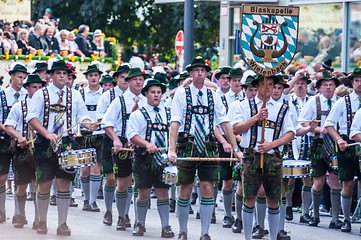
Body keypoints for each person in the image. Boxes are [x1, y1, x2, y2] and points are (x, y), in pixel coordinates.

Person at [168, 56, 242, 240]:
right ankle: (183, 230)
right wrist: (171, 149)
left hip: (208, 144)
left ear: (207, 74)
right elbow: (175, 123)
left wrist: (235, 148)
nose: (200, 73)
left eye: (203, 71)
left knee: (207, 187)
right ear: (191, 73)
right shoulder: (181, 94)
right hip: (187, 143)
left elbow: (225, 123)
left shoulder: (214, 96)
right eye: (196, 70)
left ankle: (205, 233)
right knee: (184, 187)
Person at [26, 60, 97, 236]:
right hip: (45, 143)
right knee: (44, 183)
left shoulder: (75, 94)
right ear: (51, 76)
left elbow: (82, 116)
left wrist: (90, 124)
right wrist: (46, 133)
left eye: (65, 74)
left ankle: (62, 223)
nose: (62, 76)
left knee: (64, 183)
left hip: (67, 143)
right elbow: (32, 118)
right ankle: (42, 221)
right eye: (58, 73)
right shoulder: (41, 94)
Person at [232, 75, 295, 240]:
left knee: (274, 198)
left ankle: (273, 236)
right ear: (257, 86)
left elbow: (290, 133)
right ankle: (247, 237)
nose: (268, 87)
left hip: (273, 157)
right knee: (249, 197)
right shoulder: (244, 106)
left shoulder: (283, 108)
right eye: (263, 83)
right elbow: (236, 129)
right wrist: (256, 118)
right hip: (251, 157)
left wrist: (272, 144)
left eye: (271, 84)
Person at [127, 79, 174, 237]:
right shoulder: (138, 114)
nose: (156, 95)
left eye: (159, 92)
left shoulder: (169, 113)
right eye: (153, 92)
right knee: (144, 192)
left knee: (163, 192)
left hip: (163, 158)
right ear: (145, 94)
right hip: (144, 158)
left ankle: (166, 226)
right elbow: (132, 135)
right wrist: (146, 144)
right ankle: (139, 223)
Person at [102, 67, 147, 231]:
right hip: (123, 143)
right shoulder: (119, 101)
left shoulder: (146, 100)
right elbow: (107, 123)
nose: (138, 82)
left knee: (140, 184)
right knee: (122, 181)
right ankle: (121, 216)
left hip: (142, 145)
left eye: (141, 79)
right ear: (128, 82)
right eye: (135, 79)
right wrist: (116, 140)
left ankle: (135, 218)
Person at [4, 74, 45, 228]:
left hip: (40, 149)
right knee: (21, 185)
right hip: (23, 149)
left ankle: (38, 218)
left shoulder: (46, 107)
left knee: (38, 184)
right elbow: (8, 126)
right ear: (27, 88)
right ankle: (19, 213)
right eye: (34, 87)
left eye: (40, 87)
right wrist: (19, 137)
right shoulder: (18, 106)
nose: (38, 90)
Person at [325, 67, 361, 233]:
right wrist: (338, 139)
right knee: (347, 182)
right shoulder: (343, 101)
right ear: (352, 83)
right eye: (357, 81)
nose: (360, 84)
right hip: (346, 143)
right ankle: (346, 219)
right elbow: (329, 124)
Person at [0, 64, 29, 223]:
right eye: (19, 77)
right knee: (2, 176)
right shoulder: (2, 94)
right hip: (4, 140)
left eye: (24, 78)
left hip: (23, 142)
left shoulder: (28, 95)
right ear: (11, 76)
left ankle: (19, 214)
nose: (22, 80)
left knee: (21, 178)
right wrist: (10, 131)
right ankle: (1, 211)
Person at [216, 67, 243, 230]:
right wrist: (227, 141)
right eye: (234, 80)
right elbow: (218, 124)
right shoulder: (222, 99)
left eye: (239, 81)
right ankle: (227, 214)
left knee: (242, 181)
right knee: (227, 180)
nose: (237, 83)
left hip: (244, 143)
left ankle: (241, 216)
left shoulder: (248, 99)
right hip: (225, 143)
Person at [78, 65, 104, 212]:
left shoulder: (105, 94)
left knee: (96, 168)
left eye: (96, 75)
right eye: (91, 75)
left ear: (99, 77)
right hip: (84, 134)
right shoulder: (81, 94)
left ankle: (93, 201)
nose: (93, 78)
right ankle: (86, 200)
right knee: (84, 169)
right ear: (87, 77)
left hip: (99, 134)